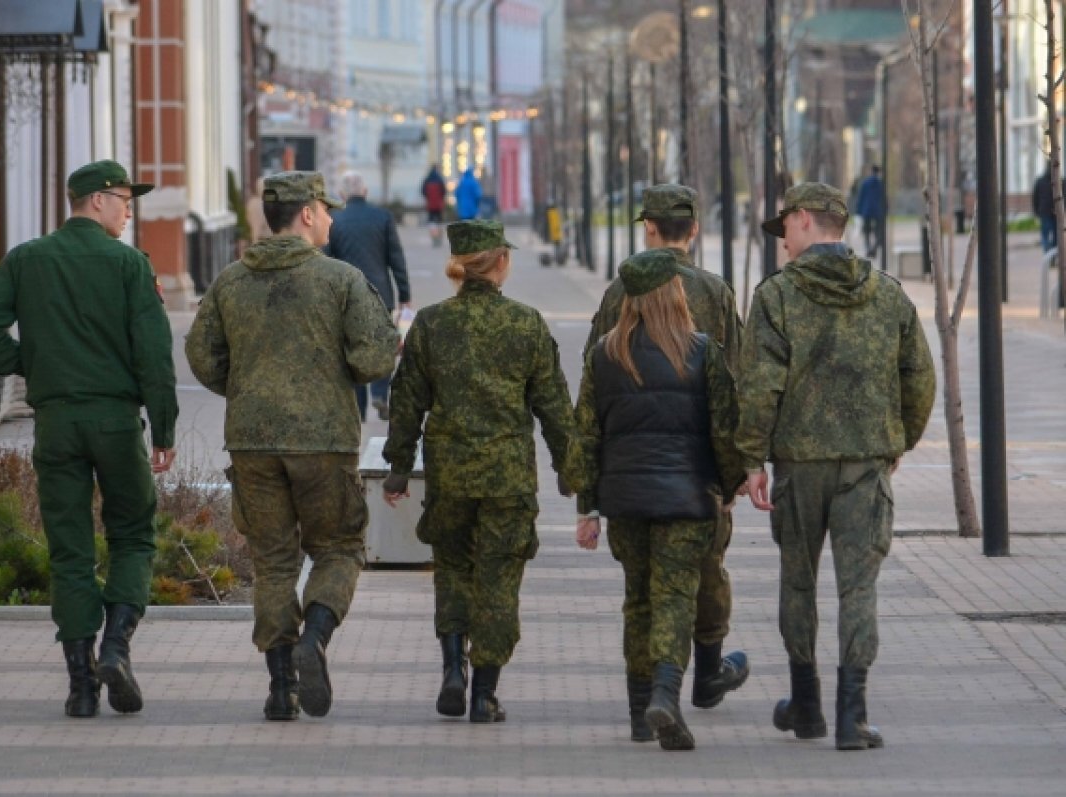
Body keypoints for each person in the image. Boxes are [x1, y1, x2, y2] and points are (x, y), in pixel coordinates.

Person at [0, 159, 178, 719]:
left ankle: (81, 687)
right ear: (96, 200)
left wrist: (29, 365)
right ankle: (116, 646)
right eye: (124, 200)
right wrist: (166, 425)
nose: (130, 210)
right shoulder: (130, 265)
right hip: (114, 420)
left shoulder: (27, 258)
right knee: (132, 535)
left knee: (70, 551)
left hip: (56, 423)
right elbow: (154, 354)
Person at [185, 171, 399, 721]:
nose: (330, 218)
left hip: (252, 443)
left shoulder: (231, 281)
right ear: (306, 214)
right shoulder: (340, 280)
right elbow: (374, 361)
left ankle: (282, 689)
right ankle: (316, 637)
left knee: (274, 562)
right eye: (324, 209)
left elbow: (204, 358)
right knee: (339, 547)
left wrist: (247, 386)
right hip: (324, 440)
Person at [739, 182, 936, 751]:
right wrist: (896, 444)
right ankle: (853, 716)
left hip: (800, 464)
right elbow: (919, 379)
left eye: (785, 231)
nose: (783, 246)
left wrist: (752, 458)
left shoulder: (776, 298)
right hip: (866, 464)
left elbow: (759, 387)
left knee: (797, 581)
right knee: (859, 587)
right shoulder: (888, 295)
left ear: (803, 220)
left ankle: (806, 705)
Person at [381, 220, 577, 724]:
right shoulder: (527, 323)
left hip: (449, 475)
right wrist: (570, 467)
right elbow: (554, 405)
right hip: (508, 479)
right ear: (500, 262)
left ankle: (452, 668)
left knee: (452, 572)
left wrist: (400, 466)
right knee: (498, 582)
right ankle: (484, 694)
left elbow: (406, 402)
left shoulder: (429, 323)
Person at [583, 183, 750, 733]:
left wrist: (588, 492)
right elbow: (737, 385)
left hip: (629, 476)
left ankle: (645, 705)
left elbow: (593, 392)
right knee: (700, 578)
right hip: (696, 476)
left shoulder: (620, 291)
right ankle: (699, 675)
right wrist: (734, 477)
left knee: (643, 594)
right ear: (694, 230)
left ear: (649, 227)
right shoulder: (717, 293)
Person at [326, 171, 412, 421]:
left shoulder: (334, 220)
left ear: (342, 194)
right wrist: (405, 295)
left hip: (346, 297)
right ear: (365, 191)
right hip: (380, 295)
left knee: (352, 350)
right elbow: (396, 258)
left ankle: (359, 407)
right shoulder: (382, 217)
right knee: (382, 346)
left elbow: (327, 261)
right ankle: (379, 393)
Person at [855, 166, 884, 258]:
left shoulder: (865, 183)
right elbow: (883, 199)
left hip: (866, 210)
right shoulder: (880, 184)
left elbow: (861, 197)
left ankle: (868, 249)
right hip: (877, 211)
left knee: (866, 232)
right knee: (878, 232)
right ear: (878, 172)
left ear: (871, 171)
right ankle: (874, 249)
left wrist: (858, 210)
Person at [1031, 166, 1060, 252]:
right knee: (1055, 236)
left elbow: (1035, 198)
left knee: (1046, 235)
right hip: (1054, 212)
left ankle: (1048, 253)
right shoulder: (1059, 181)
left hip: (1045, 211)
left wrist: (1036, 211)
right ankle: (1052, 255)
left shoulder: (1040, 181)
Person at [421, 164, 447, 247]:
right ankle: (439, 238)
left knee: (431, 222)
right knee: (439, 221)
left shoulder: (427, 179)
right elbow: (444, 192)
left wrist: (428, 198)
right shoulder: (440, 179)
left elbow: (423, 191)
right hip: (438, 204)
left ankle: (434, 238)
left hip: (430, 204)